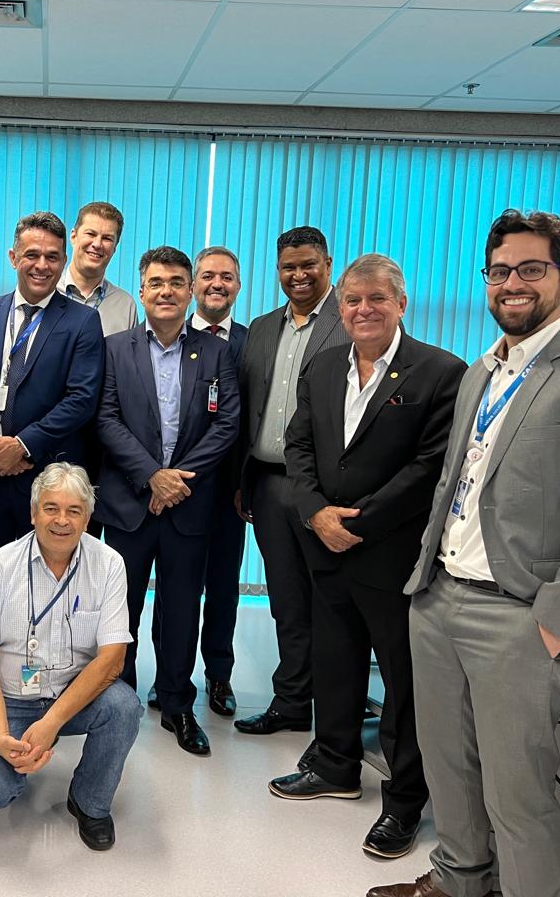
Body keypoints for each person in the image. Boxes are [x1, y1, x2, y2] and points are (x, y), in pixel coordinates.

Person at [368, 210, 560, 897]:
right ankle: (459, 879)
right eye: (499, 271)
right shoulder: (483, 370)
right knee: (449, 771)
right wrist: (425, 582)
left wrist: (556, 623)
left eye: (532, 269)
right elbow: (457, 482)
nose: (512, 284)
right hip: (440, 598)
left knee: (517, 795)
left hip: (517, 616)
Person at [266, 255, 465, 861]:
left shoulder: (441, 372)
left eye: (377, 298)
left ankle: (404, 801)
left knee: (403, 682)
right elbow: (299, 446)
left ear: (401, 303)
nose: (363, 310)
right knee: (335, 660)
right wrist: (315, 513)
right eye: (352, 300)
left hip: (392, 556)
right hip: (325, 547)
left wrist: (358, 523)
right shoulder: (325, 366)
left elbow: (430, 467)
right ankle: (335, 764)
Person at [0, 211, 105, 740]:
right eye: (31, 254)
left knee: (44, 588)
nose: (41, 265)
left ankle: (42, 697)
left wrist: (24, 444)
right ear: (13, 257)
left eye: (52, 257)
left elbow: (81, 398)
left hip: (47, 476)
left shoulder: (82, 322)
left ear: (64, 261)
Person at [95, 245, 239, 756]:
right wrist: (151, 476)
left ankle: (177, 704)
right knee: (122, 611)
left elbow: (227, 424)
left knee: (181, 611)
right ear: (142, 290)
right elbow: (106, 419)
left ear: (190, 290)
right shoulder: (115, 348)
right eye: (156, 282)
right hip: (129, 505)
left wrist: (177, 480)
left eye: (177, 282)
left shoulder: (216, 352)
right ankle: (119, 702)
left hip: (188, 505)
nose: (167, 291)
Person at [0, 462, 141, 851]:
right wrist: (0, 737)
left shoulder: (109, 565)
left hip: (71, 697)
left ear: (87, 519)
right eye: (51, 508)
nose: (62, 520)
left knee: (124, 706)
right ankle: (13, 757)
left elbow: (112, 660)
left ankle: (89, 802)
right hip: (10, 698)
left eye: (74, 510)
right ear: (33, 513)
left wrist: (51, 723)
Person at [234, 225, 348, 741]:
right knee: (285, 600)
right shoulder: (261, 328)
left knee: (332, 603)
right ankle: (293, 702)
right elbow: (245, 410)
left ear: (328, 265)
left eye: (308, 265)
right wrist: (242, 480)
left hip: (325, 489)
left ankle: (338, 711)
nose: (298, 275)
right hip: (266, 483)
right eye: (288, 267)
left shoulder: (350, 320)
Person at [183, 244, 249, 717]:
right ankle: (173, 675)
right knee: (177, 588)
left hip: (230, 490)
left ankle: (219, 675)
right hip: (179, 486)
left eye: (226, 277)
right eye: (208, 276)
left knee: (223, 587)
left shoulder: (254, 341)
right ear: (193, 285)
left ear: (238, 286)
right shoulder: (171, 335)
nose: (216, 284)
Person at [57, 201, 138, 336]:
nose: (97, 244)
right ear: (73, 237)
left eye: (107, 238)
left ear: (114, 248)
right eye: (91, 234)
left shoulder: (125, 306)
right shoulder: (47, 292)